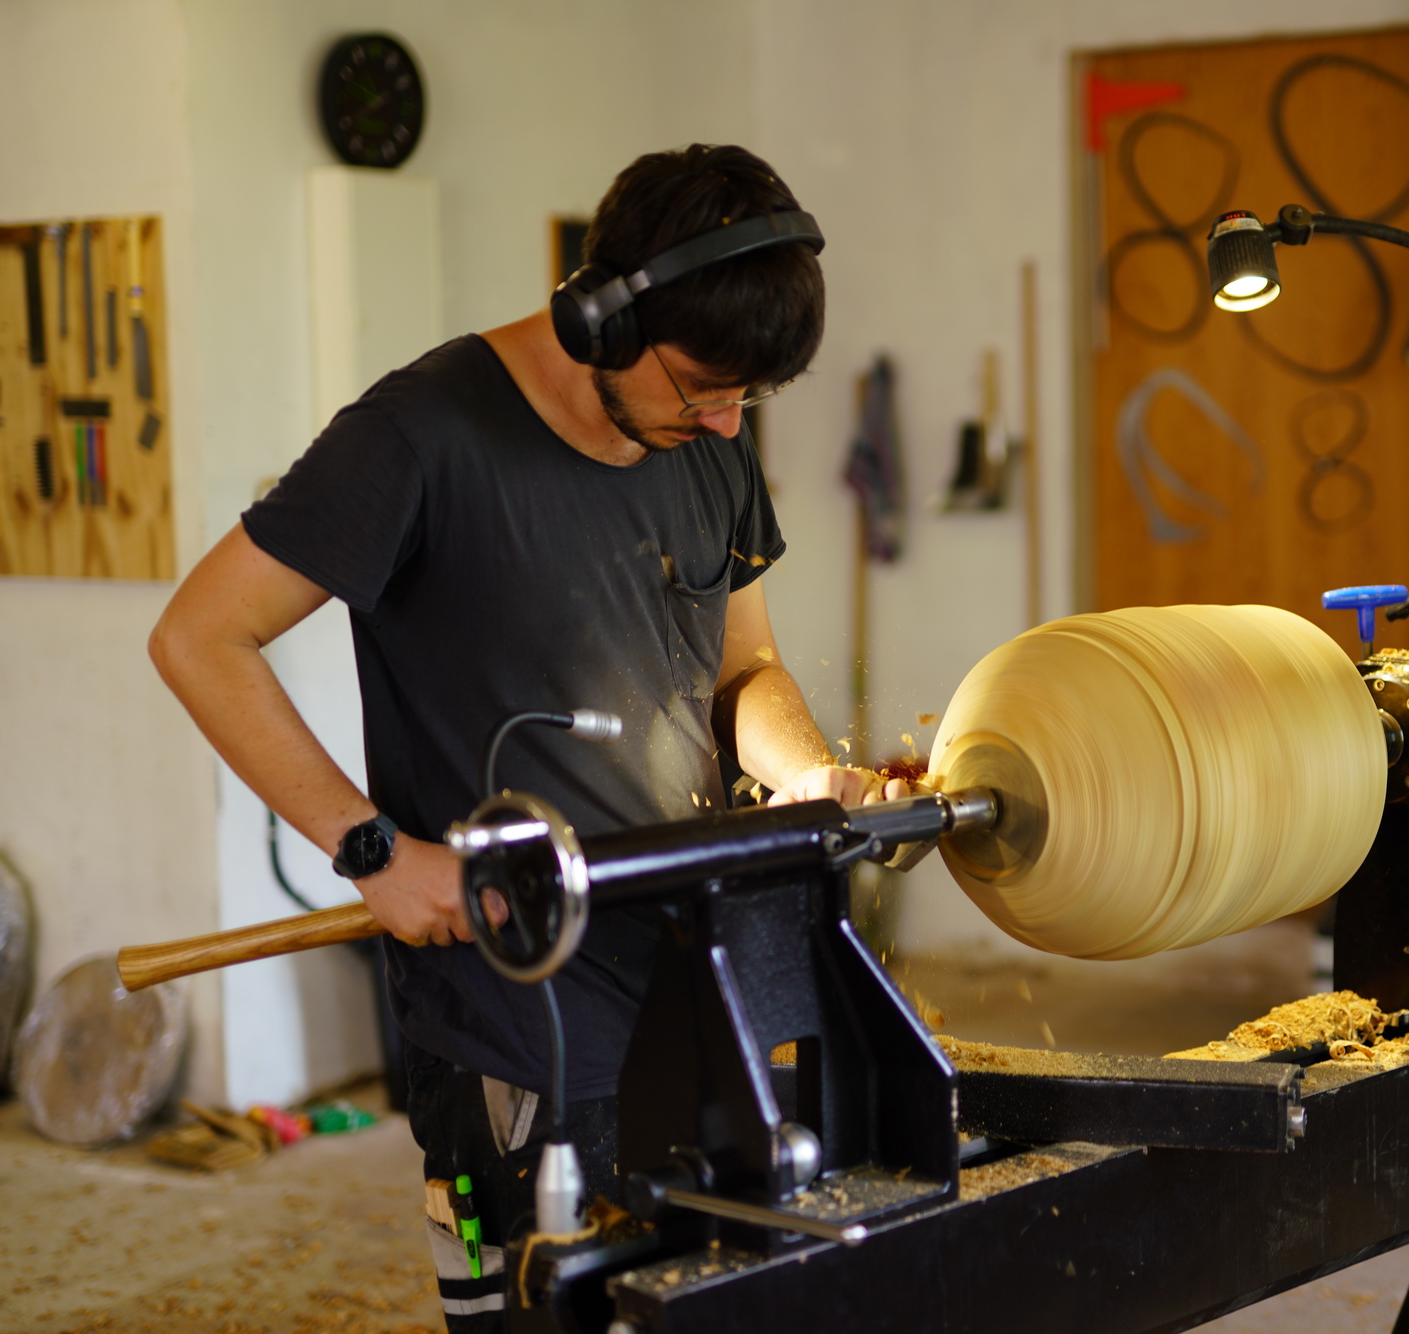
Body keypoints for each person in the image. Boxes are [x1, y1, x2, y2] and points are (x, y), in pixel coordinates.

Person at [149, 144, 900, 1329]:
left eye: (746, 397)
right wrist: (373, 852)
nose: (722, 420)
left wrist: (807, 771)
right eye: (705, 384)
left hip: (701, 965)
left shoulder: (707, 436)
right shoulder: (417, 438)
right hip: (519, 1000)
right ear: (600, 315)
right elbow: (199, 638)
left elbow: (743, 666)